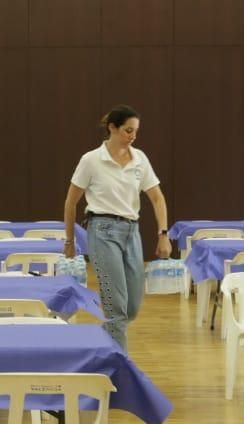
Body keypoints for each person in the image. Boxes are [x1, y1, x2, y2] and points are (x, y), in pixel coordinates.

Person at [63, 105, 171, 352]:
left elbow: (157, 198)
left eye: (135, 131)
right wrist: (69, 241)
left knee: (131, 306)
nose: (132, 136)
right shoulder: (91, 160)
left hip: (132, 232)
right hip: (101, 230)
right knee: (116, 308)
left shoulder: (140, 159)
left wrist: (162, 233)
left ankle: (104, 341)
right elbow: (71, 202)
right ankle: (120, 366)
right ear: (112, 128)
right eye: (127, 130)